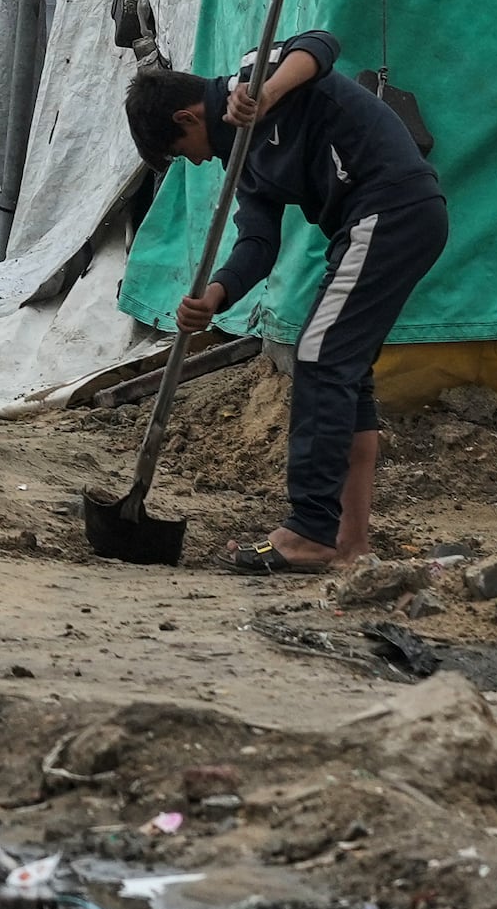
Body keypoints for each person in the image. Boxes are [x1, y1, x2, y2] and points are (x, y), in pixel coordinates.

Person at [128, 30, 444, 573]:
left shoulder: (254, 76)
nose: (196, 164)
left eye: (183, 154)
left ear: (186, 118)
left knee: (319, 356)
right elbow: (257, 244)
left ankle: (309, 532)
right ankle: (349, 542)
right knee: (344, 371)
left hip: (391, 209)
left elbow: (322, 45)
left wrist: (265, 94)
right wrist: (214, 295)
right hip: (367, 225)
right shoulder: (246, 164)